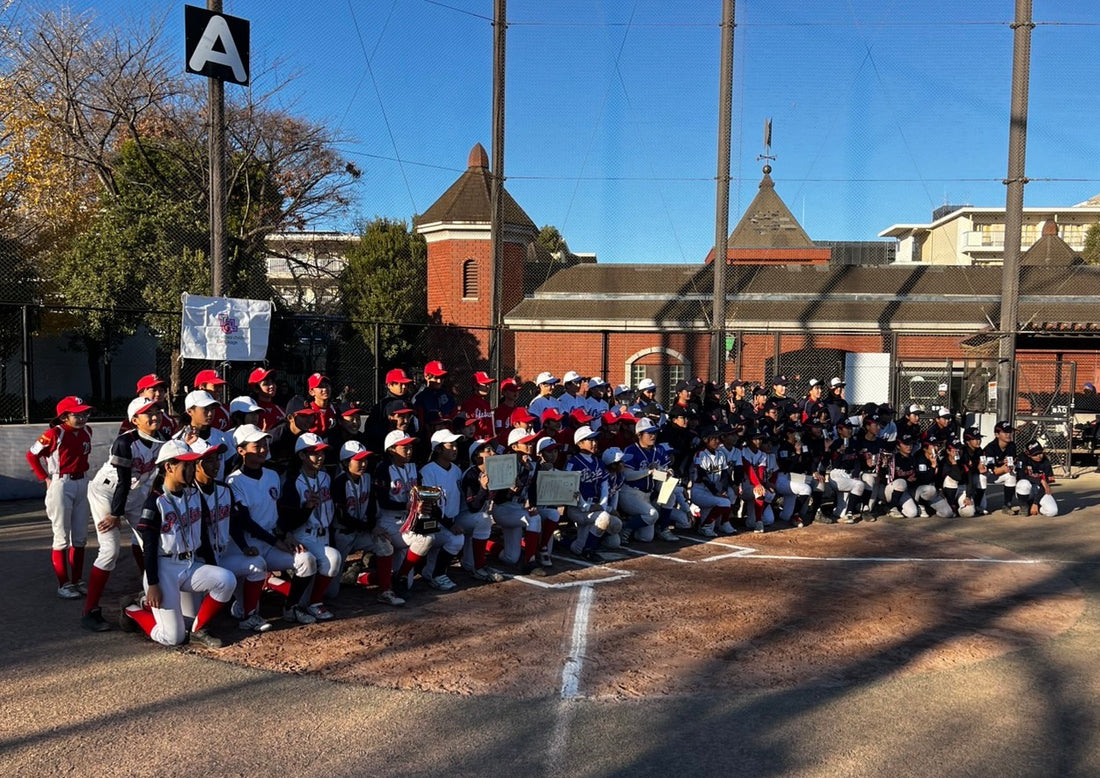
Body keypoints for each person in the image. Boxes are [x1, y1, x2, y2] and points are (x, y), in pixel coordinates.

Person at [120, 439, 234, 649]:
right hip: (164, 569)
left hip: (190, 565)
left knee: (226, 579)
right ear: (169, 467)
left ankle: (199, 630)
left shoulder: (194, 495)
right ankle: (134, 609)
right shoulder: (156, 501)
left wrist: (212, 567)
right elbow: (150, 547)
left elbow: (204, 538)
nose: (191, 469)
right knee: (173, 638)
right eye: (186, 465)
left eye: (192, 464)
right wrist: (153, 583)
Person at [82, 397, 168, 631]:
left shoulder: (161, 440)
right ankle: (90, 611)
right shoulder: (125, 441)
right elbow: (121, 481)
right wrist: (114, 515)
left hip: (133, 494)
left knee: (152, 542)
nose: (155, 416)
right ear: (134, 420)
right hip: (106, 494)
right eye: (147, 413)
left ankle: (150, 591)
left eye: (157, 411)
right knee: (110, 550)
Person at [224, 424, 320, 625]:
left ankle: (291, 608)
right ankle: (244, 609)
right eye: (256, 445)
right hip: (245, 547)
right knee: (244, 608)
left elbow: (278, 513)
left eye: (264, 444)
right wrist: (276, 541)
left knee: (306, 560)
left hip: (270, 541)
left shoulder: (272, 475)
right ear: (241, 451)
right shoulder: (234, 481)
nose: (262, 449)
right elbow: (245, 522)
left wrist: (286, 534)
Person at [190, 438, 271, 632]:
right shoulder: (189, 492)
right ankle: (142, 603)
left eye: (218, 458)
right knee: (184, 624)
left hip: (219, 556)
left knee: (258, 564)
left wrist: (243, 547)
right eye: (208, 460)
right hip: (194, 563)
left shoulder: (224, 489)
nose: (216, 464)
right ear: (195, 464)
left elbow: (234, 523)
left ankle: (249, 616)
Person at [26, 396, 94, 600]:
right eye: (77, 414)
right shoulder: (55, 433)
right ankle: (63, 583)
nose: (82, 418)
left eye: (85, 413)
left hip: (82, 482)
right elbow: (32, 455)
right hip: (61, 483)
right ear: (64, 416)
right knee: (62, 536)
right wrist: (44, 478)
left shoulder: (87, 431)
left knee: (81, 536)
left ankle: (77, 580)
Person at [330, 441, 405, 605]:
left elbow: (371, 507)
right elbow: (343, 518)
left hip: (361, 532)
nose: (363, 464)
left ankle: (385, 590)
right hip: (343, 534)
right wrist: (370, 527)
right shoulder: (338, 483)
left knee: (384, 544)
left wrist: (372, 527)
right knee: (331, 593)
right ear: (345, 462)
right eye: (358, 460)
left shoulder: (367, 478)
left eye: (365, 459)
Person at [279, 433, 343, 620]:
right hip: (303, 535)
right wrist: (306, 509)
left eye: (322, 452)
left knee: (332, 576)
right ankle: (277, 588)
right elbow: (286, 520)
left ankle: (315, 603)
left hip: (322, 535)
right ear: (302, 456)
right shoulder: (292, 481)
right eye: (314, 453)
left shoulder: (326, 477)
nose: (320, 457)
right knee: (323, 562)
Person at [416, 429, 470, 590]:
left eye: (455, 445)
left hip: (446, 524)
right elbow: (429, 505)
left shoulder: (456, 470)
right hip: (429, 525)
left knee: (456, 538)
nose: (454, 449)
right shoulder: (427, 471)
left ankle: (436, 573)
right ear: (438, 449)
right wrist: (450, 524)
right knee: (454, 538)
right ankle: (429, 571)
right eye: (450, 445)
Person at [455, 439, 506, 582]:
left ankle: (473, 562)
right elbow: (473, 507)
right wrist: (483, 489)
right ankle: (480, 567)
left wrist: (513, 488)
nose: (493, 453)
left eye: (492, 449)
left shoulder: (492, 471)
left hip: (475, 519)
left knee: (468, 564)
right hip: (463, 517)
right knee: (484, 519)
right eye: (488, 450)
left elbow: (499, 498)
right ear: (477, 456)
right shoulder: (470, 474)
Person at [690, 426, 733, 537]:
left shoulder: (720, 454)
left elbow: (724, 475)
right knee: (725, 502)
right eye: (713, 438)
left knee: (713, 524)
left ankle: (702, 523)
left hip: (710, 491)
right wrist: (716, 492)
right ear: (705, 440)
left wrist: (723, 489)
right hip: (700, 491)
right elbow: (703, 476)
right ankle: (704, 527)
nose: (717, 441)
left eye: (718, 438)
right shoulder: (700, 454)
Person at [983, 420, 1019, 514]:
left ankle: (1007, 505)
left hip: (1001, 472)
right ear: (997, 434)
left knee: (1012, 475)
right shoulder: (990, 448)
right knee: (981, 477)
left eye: (1009, 431)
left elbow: (1011, 463)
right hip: (988, 474)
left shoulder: (1011, 446)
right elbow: (990, 469)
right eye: (1005, 432)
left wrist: (1010, 466)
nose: (1008, 434)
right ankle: (978, 502)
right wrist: (1002, 468)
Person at [411, 361, 457, 433]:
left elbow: (454, 414)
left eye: (442, 377)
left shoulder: (447, 395)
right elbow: (419, 426)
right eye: (436, 377)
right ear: (426, 376)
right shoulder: (419, 397)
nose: (439, 381)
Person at [1015, 440, 1058, 516]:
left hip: (1040, 489)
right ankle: (1024, 506)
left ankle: (1037, 507)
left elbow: (1046, 485)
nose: (1039, 456)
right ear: (1028, 454)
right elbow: (1021, 476)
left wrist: (1035, 503)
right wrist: (1040, 480)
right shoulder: (1022, 458)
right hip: (1027, 489)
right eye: (1035, 454)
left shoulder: (1046, 461)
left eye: (1040, 453)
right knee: (1024, 484)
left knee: (1053, 511)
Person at [460, 371, 497, 440]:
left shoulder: (487, 404)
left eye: (489, 384)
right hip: (475, 442)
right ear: (476, 386)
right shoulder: (468, 404)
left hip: (488, 440)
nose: (488, 387)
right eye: (485, 384)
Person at [248, 367, 287, 432]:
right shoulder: (250, 412)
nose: (272, 386)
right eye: (266, 384)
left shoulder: (281, 410)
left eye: (273, 382)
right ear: (256, 389)